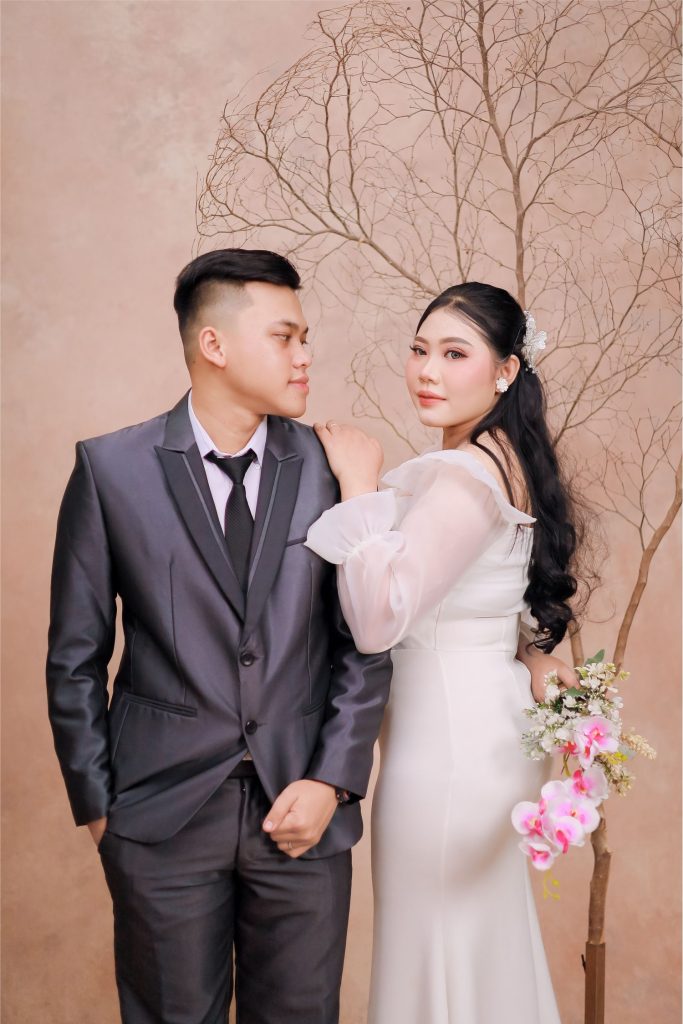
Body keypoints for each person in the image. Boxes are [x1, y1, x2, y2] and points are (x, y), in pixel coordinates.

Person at [45, 248, 395, 1024]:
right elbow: (74, 658)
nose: (304, 356)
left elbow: (365, 642)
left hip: (302, 809)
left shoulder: (333, 469)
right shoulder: (110, 469)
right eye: (284, 337)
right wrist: (100, 810)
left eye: (305, 338)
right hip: (157, 816)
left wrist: (332, 780)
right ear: (214, 345)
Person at [306, 282, 580, 1023]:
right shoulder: (502, 458)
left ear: (505, 371)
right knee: (471, 946)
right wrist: (531, 658)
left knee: (434, 949)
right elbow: (490, 603)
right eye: (419, 349)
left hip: (447, 754)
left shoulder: (465, 475)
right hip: (478, 735)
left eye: (455, 354)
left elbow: (376, 620)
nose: (427, 371)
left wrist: (358, 485)